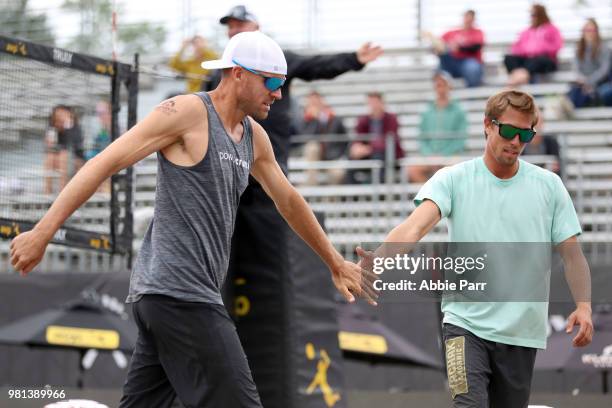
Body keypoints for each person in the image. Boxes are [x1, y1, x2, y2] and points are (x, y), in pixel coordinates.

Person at [10, 31, 376, 408]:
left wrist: (334, 261)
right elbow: (104, 163)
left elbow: (290, 201)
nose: (279, 94)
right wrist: (43, 231)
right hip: (180, 295)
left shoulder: (254, 138)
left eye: (282, 84)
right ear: (237, 74)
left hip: (170, 298)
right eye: (271, 81)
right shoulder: (186, 113)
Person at [363, 89, 593, 406]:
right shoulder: (454, 179)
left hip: (520, 334)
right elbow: (415, 226)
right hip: (463, 325)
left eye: (525, 134)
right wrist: (377, 261)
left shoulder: (549, 186)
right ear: (488, 124)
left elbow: (572, 255)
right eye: (509, 131)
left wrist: (584, 305)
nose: (515, 142)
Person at [203, 4, 383, 174]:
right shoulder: (219, 72)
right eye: (231, 26)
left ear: (256, 26)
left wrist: (354, 59)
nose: (234, 30)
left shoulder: (277, 60)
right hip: (228, 164)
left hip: (270, 158)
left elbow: (316, 65)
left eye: (240, 24)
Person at [409, 70, 467, 182]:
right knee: (412, 169)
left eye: (442, 84)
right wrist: (429, 155)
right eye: (437, 84)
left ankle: (444, 197)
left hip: (450, 155)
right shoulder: (427, 111)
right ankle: (428, 197)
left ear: (449, 86)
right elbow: (422, 138)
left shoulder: (458, 110)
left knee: (454, 169)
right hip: (430, 156)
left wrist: (443, 156)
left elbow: (460, 139)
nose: (440, 88)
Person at [347, 92, 404, 184]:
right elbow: (358, 138)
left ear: (382, 103)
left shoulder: (391, 119)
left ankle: (377, 191)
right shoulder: (363, 120)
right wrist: (356, 147)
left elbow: (388, 141)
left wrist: (369, 148)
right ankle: (351, 191)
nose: (373, 106)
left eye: (375, 102)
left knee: (378, 156)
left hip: (390, 155)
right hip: (369, 155)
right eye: (371, 103)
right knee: (351, 156)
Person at [504, 4, 563, 86]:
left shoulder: (552, 29)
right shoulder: (526, 31)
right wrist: (527, 50)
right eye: (531, 15)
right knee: (509, 58)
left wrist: (540, 49)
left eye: (533, 15)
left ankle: (516, 79)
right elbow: (516, 47)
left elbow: (557, 46)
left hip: (545, 60)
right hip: (528, 61)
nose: (531, 17)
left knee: (537, 60)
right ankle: (520, 76)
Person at [425, 9, 485, 87]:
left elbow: (476, 47)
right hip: (449, 62)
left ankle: (472, 92)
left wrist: (460, 48)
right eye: (467, 17)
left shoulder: (477, 32)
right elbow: (437, 46)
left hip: (467, 61)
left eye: (470, 18)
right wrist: (436, 48)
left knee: (472, 68)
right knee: (440, 68)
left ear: (473, 20)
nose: (468, 20)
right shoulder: (451, 33)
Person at [299, 90, 348, 185]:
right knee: (312, 147)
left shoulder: (334, 118)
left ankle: (330, 199)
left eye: (316, 101)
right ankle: (311, 187)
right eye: (311, 102)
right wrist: (314, 120)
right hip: (315, 158)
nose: (314, 104)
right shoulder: (306, 120)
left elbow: (344, 139)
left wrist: (337, 154)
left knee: (337, 174)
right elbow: (305, 138)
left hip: (332, 157)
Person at [567, 18, 612, 108]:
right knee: (575, 91)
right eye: (587, 30)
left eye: (592, 30)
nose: (589, 33)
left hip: (600, 83)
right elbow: (576, 69)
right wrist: (584, 82)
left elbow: (604, 71)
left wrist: (589, 82)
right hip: (582, 84)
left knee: (603, 92)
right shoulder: (578, 50)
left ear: (597, 32)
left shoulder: (604, 48)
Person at [44, 105, 85, 194]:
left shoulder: (74, 127)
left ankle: (63, 191)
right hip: (58, 158)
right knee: (51, 157)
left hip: (75, 158)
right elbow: (50, 146)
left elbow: (76, 146)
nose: (61, 116)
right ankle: (47, 191)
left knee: (63, 155)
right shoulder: (52, 128)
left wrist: (68, 127)